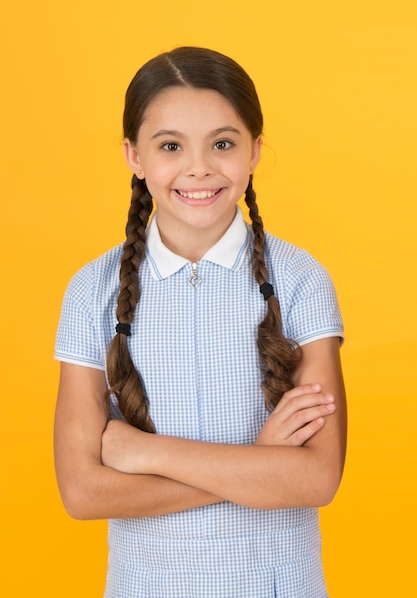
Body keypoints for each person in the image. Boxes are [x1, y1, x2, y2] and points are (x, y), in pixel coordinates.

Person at [54, 47, 347, 598]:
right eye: (170, 146)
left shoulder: (302, 282)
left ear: (255, 150)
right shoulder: (91, 291)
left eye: (223, 143)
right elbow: (83, 493)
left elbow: (316, 479)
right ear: (134, 155)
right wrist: (260, 468)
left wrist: (147, 454)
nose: (198, 168)